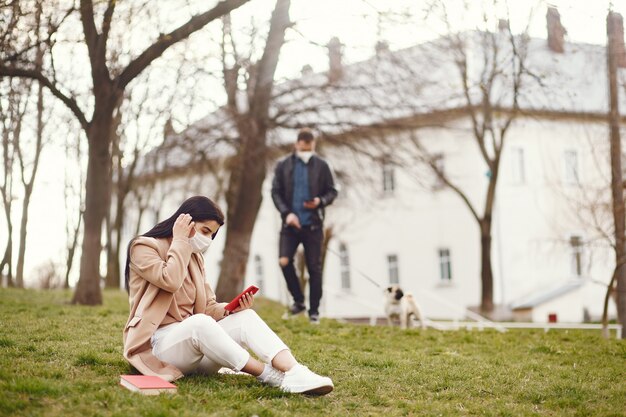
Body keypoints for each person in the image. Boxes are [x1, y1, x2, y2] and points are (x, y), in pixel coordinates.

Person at [122, 195, 333, 395]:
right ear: (185, 221)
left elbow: (206, 308)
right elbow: (170, 280)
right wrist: (180, 241)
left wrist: (229, 309)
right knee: (200, 323)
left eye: (211, 235)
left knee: (245, 317)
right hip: (159, 347)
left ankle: (295, 371)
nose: (207, 239)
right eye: (204, 231)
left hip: (195, 347)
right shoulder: (144, 246)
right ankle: (270, 376)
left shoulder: (195, 259)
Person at [271, 128, 338, 324]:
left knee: (314, 269)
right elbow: (275, 192)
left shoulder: (322, 166)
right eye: (304, 147)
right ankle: (299, 302)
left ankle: (314, 312)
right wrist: (287, 213)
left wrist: (319, 201)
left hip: (313, 225)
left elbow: (332, 191)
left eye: (310, 148)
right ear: (297, 145)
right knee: (284, 261)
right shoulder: (283, 166)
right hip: (290, 224)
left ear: (313, 146)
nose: (307, 150)